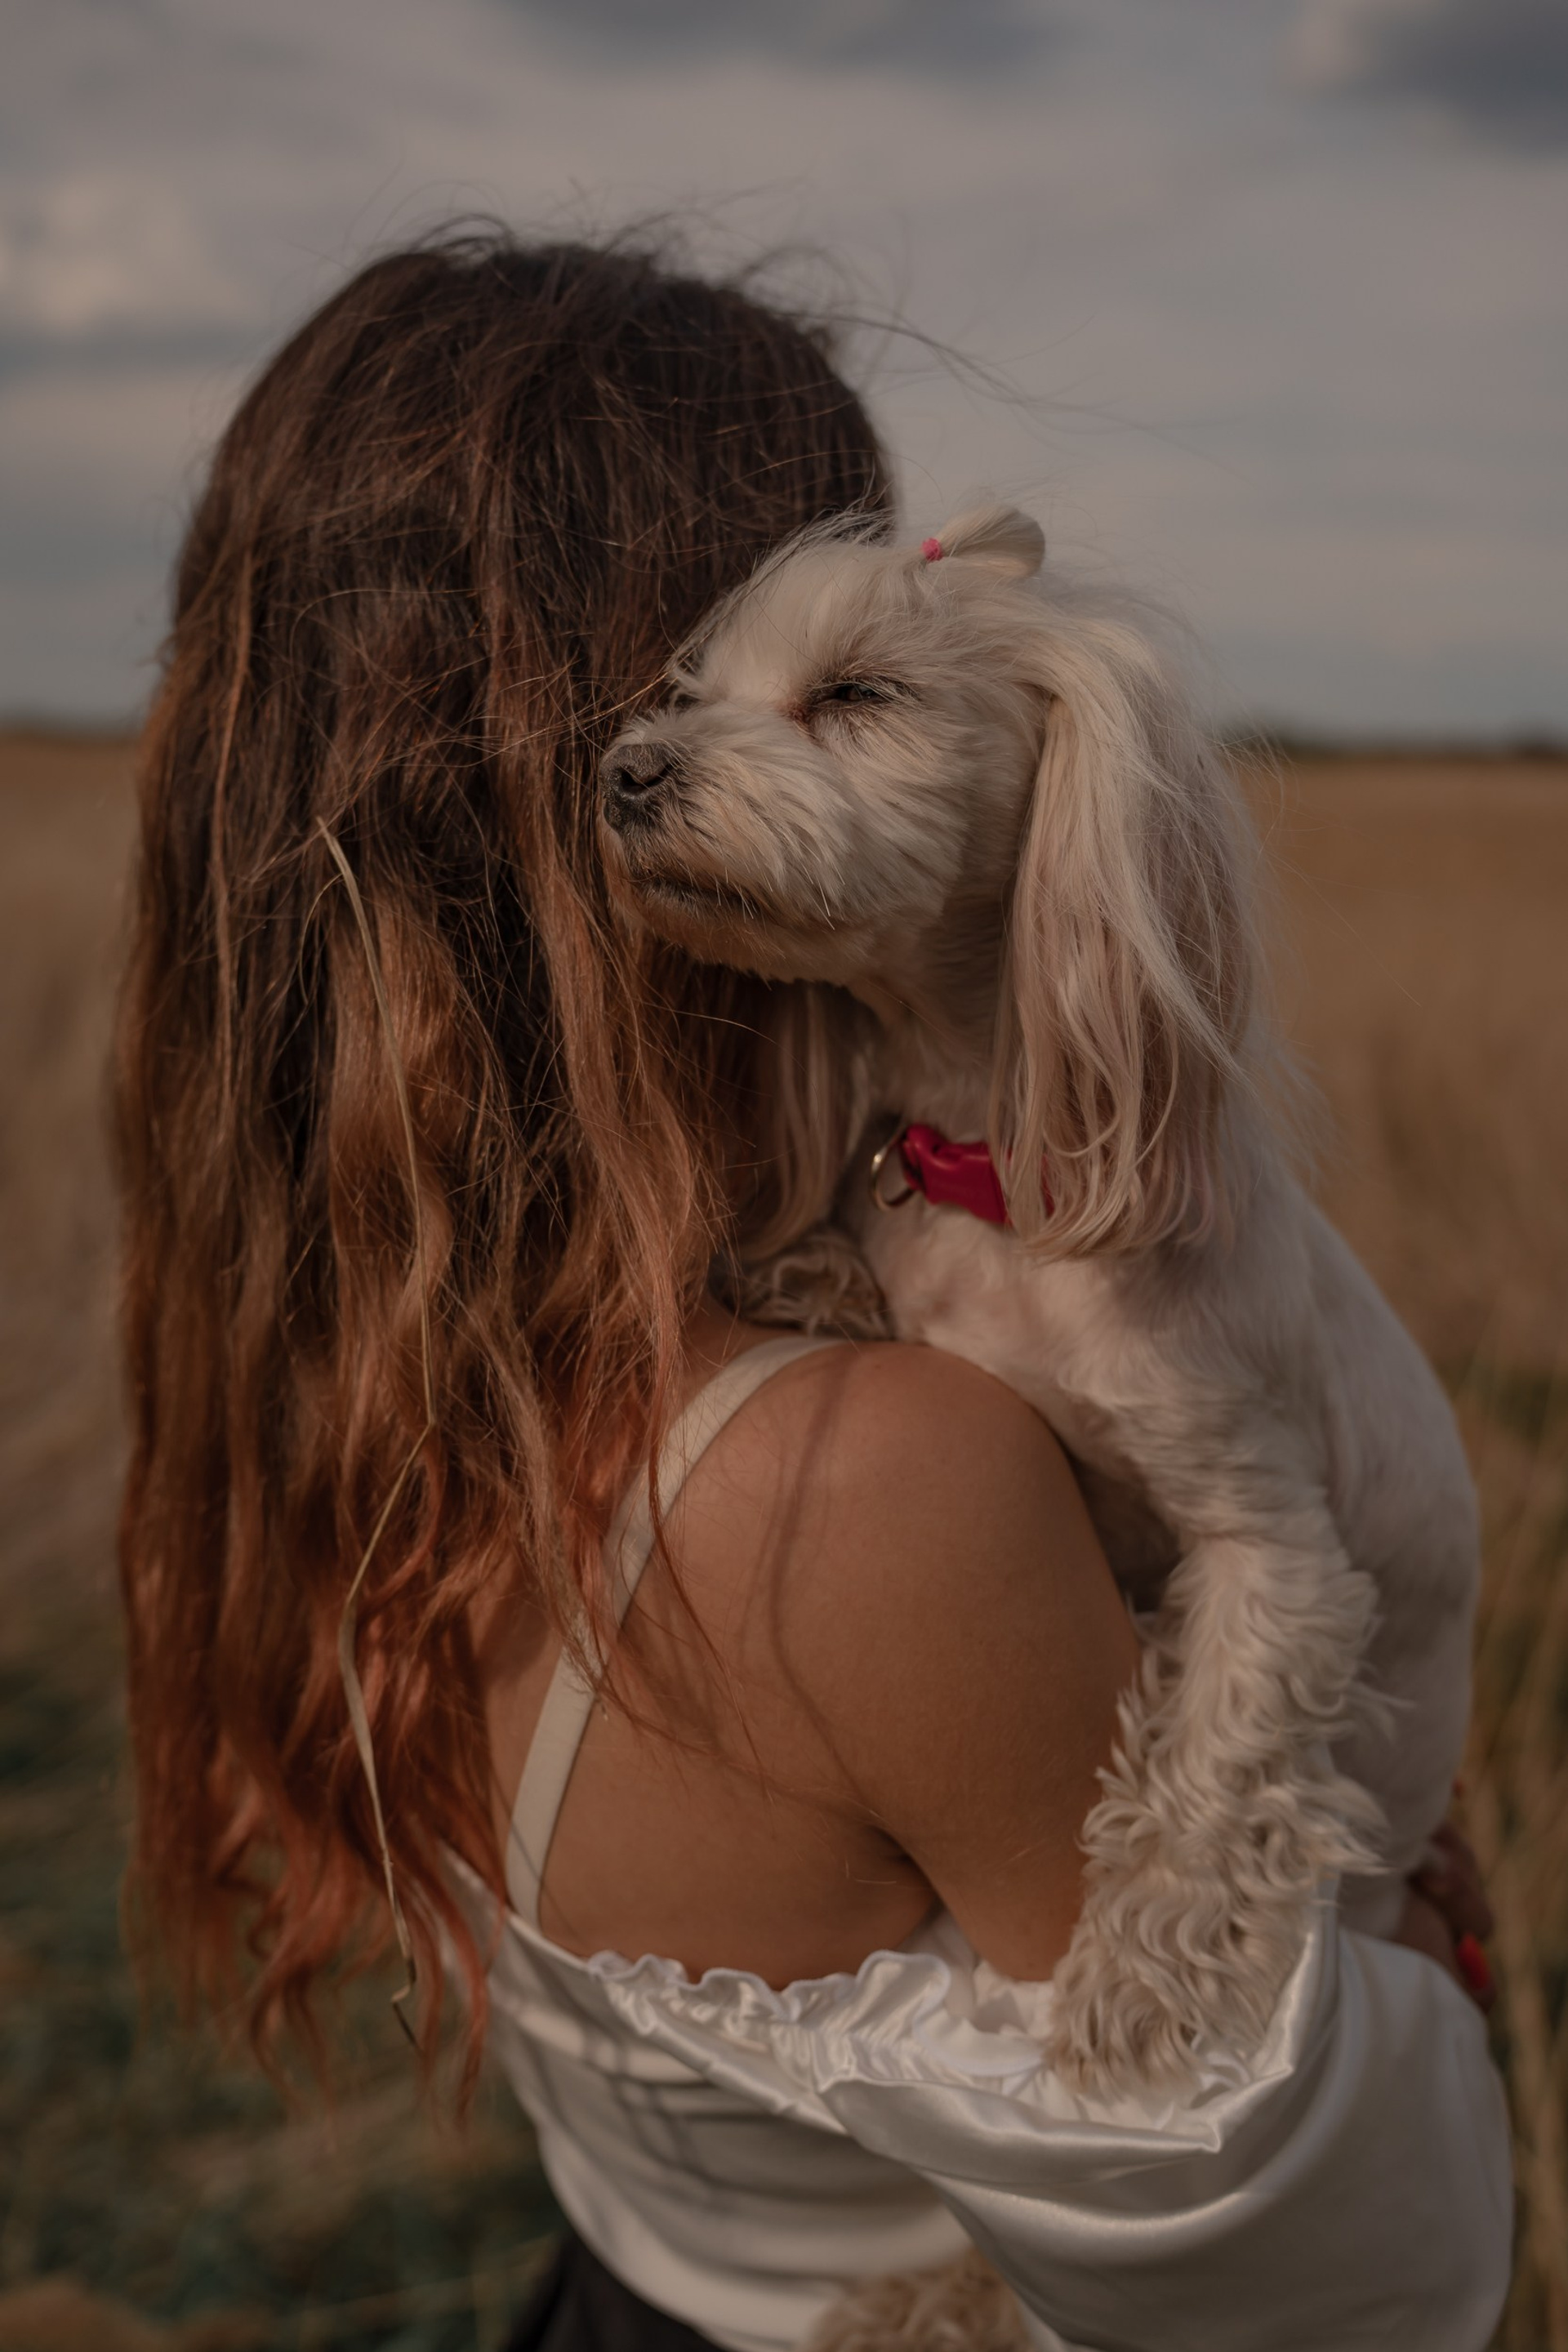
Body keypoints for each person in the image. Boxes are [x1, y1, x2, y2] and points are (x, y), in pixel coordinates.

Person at [115, 232, 1511, 2352]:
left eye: (847, 687)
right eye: (690, 678)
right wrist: (1419, 1969)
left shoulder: (345, 1354)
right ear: (568, 776)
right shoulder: (873, 1476)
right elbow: (1313, 2273)